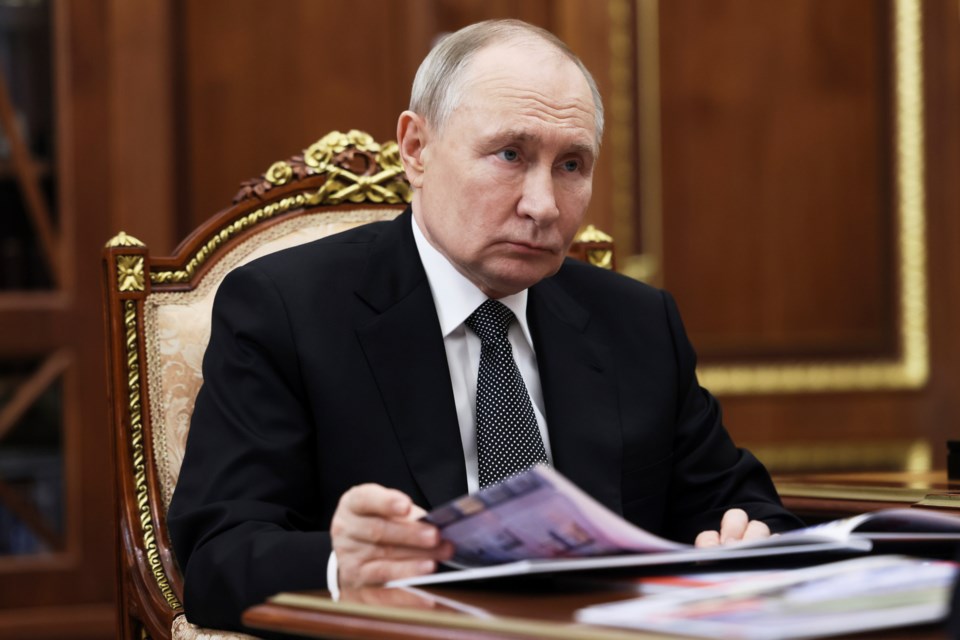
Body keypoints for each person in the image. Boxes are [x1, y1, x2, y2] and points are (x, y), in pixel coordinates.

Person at [168, 18, 803, 632]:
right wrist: (343, 565)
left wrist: (747, 538)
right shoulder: (286, 308)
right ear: (416, 149)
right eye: (509, 154)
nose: (543, 205)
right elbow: (217, 557)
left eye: (571, 165)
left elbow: (739, 505)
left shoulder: (636, 321)